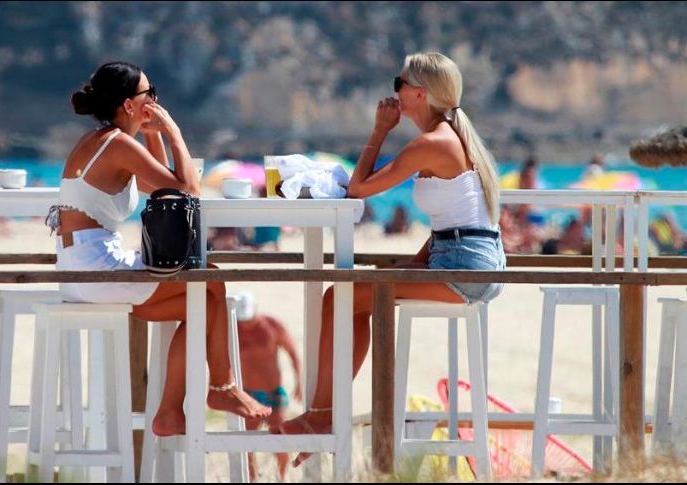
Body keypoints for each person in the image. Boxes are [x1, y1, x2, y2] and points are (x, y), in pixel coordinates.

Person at [272, 52, 506, 465]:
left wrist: (379, 131)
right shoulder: (454, 136)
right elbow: (455, 225)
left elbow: (357, 189)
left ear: (418, 93)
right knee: (350, 295)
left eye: (398, 83)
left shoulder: (433, 142)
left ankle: (321, 417)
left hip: (465, 271)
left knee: (339, 297)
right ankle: (322, 415)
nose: (393, 91)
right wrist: (415, 262)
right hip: (463, 262)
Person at [46, 61, 270, 436]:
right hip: (96, 269)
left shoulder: (100, 141)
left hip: (81, 267)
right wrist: (173, 131)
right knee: (210, 284)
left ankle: (177, 409)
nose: (154, 100)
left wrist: (153, 135)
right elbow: (188, 190)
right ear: (129, 105)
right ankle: (222, 390)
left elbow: (159, 186)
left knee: (206, 299)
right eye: (149, 94)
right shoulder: (117, 145)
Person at [233, 291, 302, 481]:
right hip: (248, 393)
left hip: (274, 393)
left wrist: (299, 381)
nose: (246, 324)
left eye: (248, 318)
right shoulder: (233, 331)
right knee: (247, 440)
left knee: (280, 436)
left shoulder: (271, 326)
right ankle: (252, 479)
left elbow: (292, 351)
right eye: (242, 319)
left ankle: (282, 477)